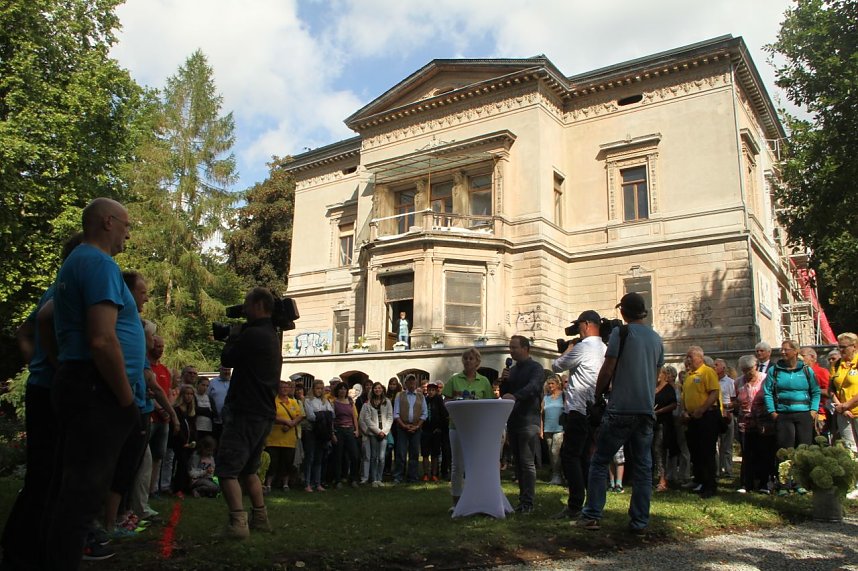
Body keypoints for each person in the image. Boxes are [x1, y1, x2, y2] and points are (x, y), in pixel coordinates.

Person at [44, 198, 143, 567]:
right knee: (84, 492)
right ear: (107, 222)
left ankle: (52, 557)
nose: (128, 234)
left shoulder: (75, 261)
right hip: (97, 390)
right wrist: (125, 400)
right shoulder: (100, 264)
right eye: (126, 225)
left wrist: (63, 365)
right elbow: (102, 340)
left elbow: (48, 321)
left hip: (81, 381)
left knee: (70, 488)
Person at [0, 232, 82, 569]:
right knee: (47, 475)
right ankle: (23, 550)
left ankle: (21, 545)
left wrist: (36, 363)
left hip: (42, 386)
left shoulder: (54, 288)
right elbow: (40, 324)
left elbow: (24, 331)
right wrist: (55, 366)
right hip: (49, 391)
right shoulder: (65, 289)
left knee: (44, 474)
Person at [578, 292, 664, 533]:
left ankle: (592, 514)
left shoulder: (621, 333)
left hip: (621, 409)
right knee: (643, 468)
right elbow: (656, 375)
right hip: (645, 410)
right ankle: (639, 521)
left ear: (624, 312)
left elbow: (608, 368)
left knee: (599, 460)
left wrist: (597, 394)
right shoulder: (656, 339)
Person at [214, 286, 282, 539]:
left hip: (245, 411)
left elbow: (228, 359)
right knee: (249, 470)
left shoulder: (252, 334)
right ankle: (260, 518)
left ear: (258, 305)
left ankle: (238, 524)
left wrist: (232, 336)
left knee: (227, 470)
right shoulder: (272, 334)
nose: (243, 309)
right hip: (264, 412)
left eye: (246, 303)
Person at [550, 310, 605, 519]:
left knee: (570, 456)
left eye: (579, 325)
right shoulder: (604, 348)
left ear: (588, 324)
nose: (578, 330)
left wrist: (569, 347)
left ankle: (575, 504)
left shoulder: (583, 347)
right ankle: (591, 502)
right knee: (586, 458)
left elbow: (557, 365)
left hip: (578, 409)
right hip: (594, 410)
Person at [764, 339, 820, 495]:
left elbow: (815, 391)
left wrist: (813, 410)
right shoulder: (774, 371)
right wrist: (772, 412)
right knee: (784, 450)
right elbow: (768, 392)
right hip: (783, 414)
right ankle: (784, 483)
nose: (782, 352)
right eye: (781, 350)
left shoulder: (806, 370)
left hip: (804, 414)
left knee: (803, 449)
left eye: (786, 349)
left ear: (796, 351)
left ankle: (800, 482)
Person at [442, 348, 493, 508]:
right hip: (456, 426)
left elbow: (489, 404)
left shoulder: (484, 381)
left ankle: (474, 499)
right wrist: (454, 407)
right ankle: (456, 502)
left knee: (475, 464)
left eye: (472, 358)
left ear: (478, 362)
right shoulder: (454, 379)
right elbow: (446, 400)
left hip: (476, 428)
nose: (468, 361)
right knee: (457, 465)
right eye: (466, 358)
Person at [501, 335, 544, 514]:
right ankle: (522, 500)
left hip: (529, 421)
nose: (510, 351)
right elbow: (505, 394)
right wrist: (504, 381)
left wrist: (516, 396)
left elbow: (533, 387)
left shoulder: (536, 368)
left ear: (525, 348)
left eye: (514, 347)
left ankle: (528, 502)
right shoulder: (512, 370)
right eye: (510, 347)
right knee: (518, 463)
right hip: (513, 420)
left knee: (527, 463)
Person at [680, 346, 721, 499]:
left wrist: (702, 409)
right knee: (695, 450)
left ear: (699, 357)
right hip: (691, 418)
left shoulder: (707, 372)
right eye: (687, 357)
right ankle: (699, 480)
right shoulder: (689, 375)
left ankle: (710, 485)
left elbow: (714, 392)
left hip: (707, 416)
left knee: (707, 451)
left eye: (690, 357)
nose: (688, 360)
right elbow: (685, 396)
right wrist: (685, 411)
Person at [734, 355, 774, 494]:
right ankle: (746, 484)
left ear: (756, 366)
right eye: (744, 370)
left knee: (764, 452)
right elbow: (735, 400)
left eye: (749, 369)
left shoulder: (765, 379)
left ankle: (765, 484)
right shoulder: (738, 382)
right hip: (745, 422)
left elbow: (771, 397)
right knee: (747, 453)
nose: (747, 373)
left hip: (763, 422)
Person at [830, 333, 858, 500]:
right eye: (839, 347)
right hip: (843, 413)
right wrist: (840, 406)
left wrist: (847, 405)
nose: (841, 350)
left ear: (854, 347)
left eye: (844, 347)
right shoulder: (837, 364)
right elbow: (831, 388)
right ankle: (855, 484)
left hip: (855, 410)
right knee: (850, 449)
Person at [264, 380, 305, 493]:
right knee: (272, 462)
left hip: (289, 439)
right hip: (274, 438)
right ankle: (268, 484)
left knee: (287, 462)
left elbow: (300, 416)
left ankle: (285, 484)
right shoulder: (273, 401)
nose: (285, 389)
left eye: (287, 387)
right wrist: (286, 421)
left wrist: (291, 424)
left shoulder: (293, 402)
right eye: (282, 387)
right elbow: (271, 415)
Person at [358, 382, 393, 487]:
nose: (377, 390)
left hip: (384, 433)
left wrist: (384, 431)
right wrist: (377, 431)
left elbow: (390, 417)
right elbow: (367, 419)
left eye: (379, 388)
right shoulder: (369, 403)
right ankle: (373, 479)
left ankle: (379, 478)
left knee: (382, 457)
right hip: (374, 433)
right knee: (374, 457)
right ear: (373, 390)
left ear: (382, 389)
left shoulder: (387, 402)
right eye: (375, 388)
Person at [393, 374, 427, 484]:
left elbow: (424, 414)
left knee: (414, 453)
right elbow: (396, 414)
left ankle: (413, 476)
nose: (412, 384)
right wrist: (404, 425)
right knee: (401, 453)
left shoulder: (421, 396)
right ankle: (398, 476)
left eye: (413, 382)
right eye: (410, 382)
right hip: (402, 428)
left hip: (416, 428)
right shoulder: (400, 396)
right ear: (405, 384)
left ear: (416, 384)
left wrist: (417, 426)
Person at [303, 379, 334, 492]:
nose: (319, 391)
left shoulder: (325, 401)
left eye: (321, 389)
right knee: (310, 457)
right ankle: (307, 483)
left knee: (319, 458)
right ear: (313, 389)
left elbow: (332, 414)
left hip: (323, 432)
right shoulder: (308, 400)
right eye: (317, 388)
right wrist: (323, 415)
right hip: (312, 431)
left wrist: (321, 415)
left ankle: (317, 483)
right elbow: (311, 416)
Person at [331, 381, 361, 488]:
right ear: (337, 390)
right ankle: (338, 479)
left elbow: (354, 417)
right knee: (338, 456)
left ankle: (353, 479)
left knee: (354, 455)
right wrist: (332, 433)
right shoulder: (334, 403)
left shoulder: (350, 402)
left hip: (350, 430)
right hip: (339, 430)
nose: (342, 391)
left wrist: (357, 430)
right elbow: (332, 419)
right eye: (341, 389)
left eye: (344, 389)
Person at [653, 366, 678, 492]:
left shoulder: (668, 388)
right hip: (651, 423)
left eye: (659, 373)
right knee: (652, 450)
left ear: (664, 374)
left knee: (659, 450)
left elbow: (674, 404)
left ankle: (663, 479)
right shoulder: (651, 387)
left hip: (663, 423)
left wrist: (659, 411)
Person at [171, 384, 198, 494]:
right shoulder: (176, 409)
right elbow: (177, 428)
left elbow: (193, 427)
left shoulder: (191, 411)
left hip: (190, 443)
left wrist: (194, 441)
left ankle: (184, 486)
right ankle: (176, 487)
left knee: (186, 464)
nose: (189, 396)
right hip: (178, 442)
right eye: (187, 394)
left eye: (191, 394)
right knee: (179, 463)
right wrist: (183, 441)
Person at [799, 346, 831, 438]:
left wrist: (813, 390)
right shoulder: (799, 372)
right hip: (802, 413)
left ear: (812, 357)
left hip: (819, 414)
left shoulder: (821, 372)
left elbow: (830, 392)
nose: (799, 358)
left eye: (802, 356)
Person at [420, 382, 448, 481]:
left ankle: (434, 473)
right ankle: (426, 473)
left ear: (436, 391)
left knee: (435, 454)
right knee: (425, 454)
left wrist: (439, 427)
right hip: (426, 430)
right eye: (429, 390)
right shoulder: (425, 400)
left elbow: (444, 415)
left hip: (436, 431)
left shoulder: (439, 400)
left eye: (433, 390)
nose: (431, 392)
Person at [714, 358, 736, 478]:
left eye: (716, 365)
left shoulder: (730, 382)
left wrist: (726, 407)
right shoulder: (711, 381)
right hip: (714, 415)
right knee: (715, 444)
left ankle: (728, 470)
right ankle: (716, 470)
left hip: (727, 415)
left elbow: (734, 401)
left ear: (723, 368)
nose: (714, 367)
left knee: (727, 444)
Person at [542, 375, 565, 486]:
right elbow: (541, 413)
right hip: (548, 428)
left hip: (559, 428)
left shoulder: (563, 395)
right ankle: (555, 473)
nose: (550, 385)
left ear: (557, 384)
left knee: (555, 451)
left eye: (552, 383)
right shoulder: (546, 397)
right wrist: (541, 429)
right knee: (551, 452)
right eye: (549, 383)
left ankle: (558, 476)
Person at [208, 365, 232, 442]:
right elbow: (207, 397)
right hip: (215, 421)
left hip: (230, 422)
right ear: (220, 370)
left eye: (228, 370)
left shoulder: (233, 383)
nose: (227, 372)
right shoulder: (212, 382)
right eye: (225, 370)